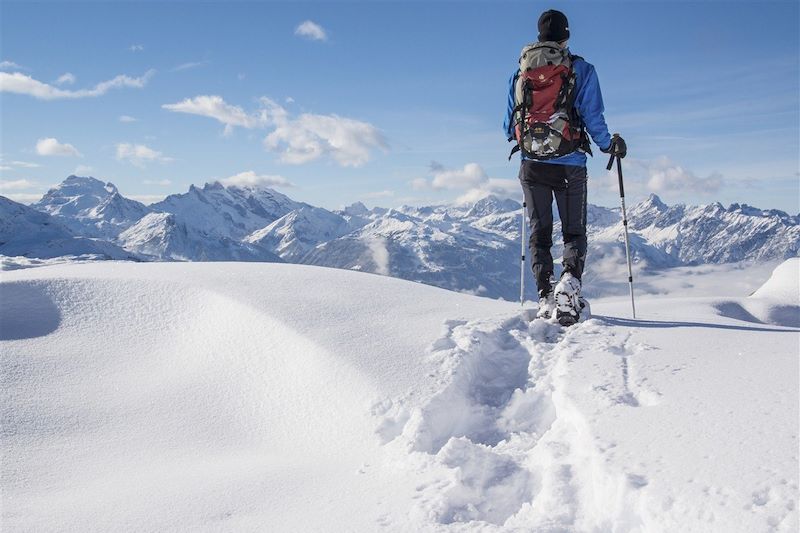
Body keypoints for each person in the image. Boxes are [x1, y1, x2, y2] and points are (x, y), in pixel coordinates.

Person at [503, 9, 626, 325]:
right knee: (573, 231)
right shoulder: (580, 69)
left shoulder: (519, 74)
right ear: (566, 35)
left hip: (532, 166)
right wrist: (608, 144)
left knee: (539, 232)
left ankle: (544, 297)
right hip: (570, 164)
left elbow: (509, 125)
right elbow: (593, 116)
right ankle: (569, 285)